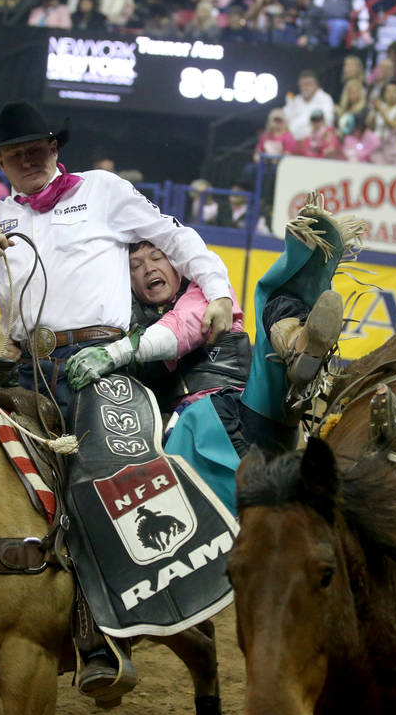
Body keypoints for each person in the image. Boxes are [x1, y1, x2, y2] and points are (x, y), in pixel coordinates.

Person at [0, 101, 235, 700]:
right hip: (20, 367)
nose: (28, 157)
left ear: (54, 148)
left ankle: (99, 633)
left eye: (37, 147)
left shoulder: (104, 191)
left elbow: (176, 236)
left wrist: (216, 289)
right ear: (1, 162)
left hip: (98, 367)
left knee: (97, 479)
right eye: (15, 152)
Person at [66, 195, 356, 511]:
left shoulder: (209, 291)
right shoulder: (125, 323)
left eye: (157, 257)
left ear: (176, 262)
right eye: (135, 265)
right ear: (128, 280)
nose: (148, 268)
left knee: (271, 301)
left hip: (247, 407)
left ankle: (299, 343)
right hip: (183, 428)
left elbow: (183, 328)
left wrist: (121, 351)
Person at [284, 69, 335, 137]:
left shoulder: (325, 98)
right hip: (293, 142)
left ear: (316, 85)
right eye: (302, 85)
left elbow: (327, 121)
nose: (305, 87)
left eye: (308, 84)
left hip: (316, 140)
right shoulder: (295, 100)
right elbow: (284, 120)